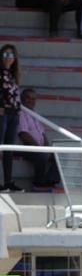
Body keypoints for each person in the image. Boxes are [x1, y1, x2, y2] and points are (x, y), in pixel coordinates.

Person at [16, 89, 63, 190]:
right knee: (41, 156)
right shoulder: (20, 113)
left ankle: (50, 181)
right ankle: (38, 183)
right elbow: (24, 134)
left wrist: (47, 148)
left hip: (38, 147)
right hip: (24, 147)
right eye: (28, 98)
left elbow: (42, 134)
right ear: (22, 98)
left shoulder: (35, 114)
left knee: (58, 155)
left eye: (33, 99)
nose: (31, 101)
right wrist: (39, 148)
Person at [0, 45, 23, 191]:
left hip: (13, 114)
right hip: (2, 114)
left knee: (9, 148)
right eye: (6, 54)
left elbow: (15, 95)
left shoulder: (12, 75)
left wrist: (18, 109)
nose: (8, 57)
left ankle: (8, 181)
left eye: (11, 54)